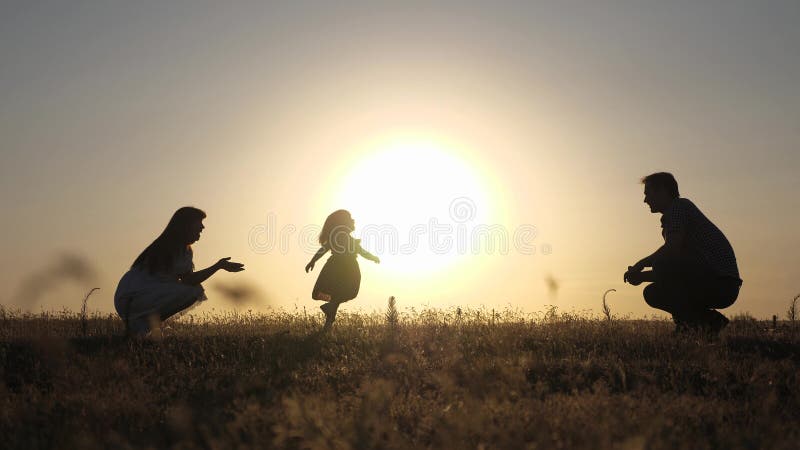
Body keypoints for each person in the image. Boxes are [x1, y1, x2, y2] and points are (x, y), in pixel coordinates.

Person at [624, 173, 742, 335]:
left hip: (721, 283)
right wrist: (641, 277)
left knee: (661, 264)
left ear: (663, 191)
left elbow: (670, 253)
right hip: (714, 281)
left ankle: (690, 325)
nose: (645, 200)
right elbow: (674, 271)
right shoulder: (675, 214)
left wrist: (641, 264)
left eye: (647, 193)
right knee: (653, 292)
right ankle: (705, 323)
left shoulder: (679, 208)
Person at [114, 207, 244, 334]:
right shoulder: (172, 247)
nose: (202, 227)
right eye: (199, 223)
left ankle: (143, 328)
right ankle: (145, 326)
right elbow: (190, 280)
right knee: (193, 290)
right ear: (186, 226)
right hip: (134, 297)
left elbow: (187, 279)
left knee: (191, 289)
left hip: (130, 296)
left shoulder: (173, 246)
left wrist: (219, 266)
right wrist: (218, 266)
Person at [305, 209, 379, 330]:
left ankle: (328, 323)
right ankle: (331, 308)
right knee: (348, 292)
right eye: (350, 219)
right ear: (344, 222)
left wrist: (313, 261)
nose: (353, 220)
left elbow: (323, 249)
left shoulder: (339, 237)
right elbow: (362, 252)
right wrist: (373, 257)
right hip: (348, 268)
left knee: (336, 295)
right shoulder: (343, 237)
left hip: (335, 267)